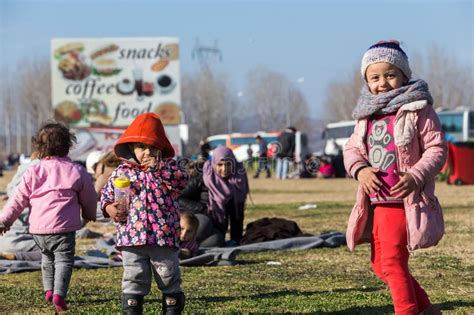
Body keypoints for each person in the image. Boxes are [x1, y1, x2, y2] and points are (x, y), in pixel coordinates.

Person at [344, 40, 446, 315]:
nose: (383, 83)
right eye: (375, 77)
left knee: (391, 260)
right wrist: (361, 170)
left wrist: (416, 175)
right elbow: (352, 149)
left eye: (390, 75)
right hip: (375, 201)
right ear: (366, 80)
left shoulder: (418, 108)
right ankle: (426, 309)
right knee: (381, 264)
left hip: (402, 201)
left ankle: (408, 310)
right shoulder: (365, 115)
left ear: (404, 75)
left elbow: (437, 149)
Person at [0, 122, 97, 313]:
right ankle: (59, 295)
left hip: (37, 230)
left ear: (39, 148)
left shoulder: (33, 171)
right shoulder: (76, 171)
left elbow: (17, 200)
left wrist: (5, 221)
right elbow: (90, 197)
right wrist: (89, 214)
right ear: (68, 146)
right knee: (63, 260)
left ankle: (48, 290)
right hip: (64, 229)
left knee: (46, 257)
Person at [100, 112, 188, 315]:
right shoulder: (122, 172)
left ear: (161, 148)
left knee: (168, 275)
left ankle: (172, 306)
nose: (147, 152)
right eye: (141, 147)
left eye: (153, 147)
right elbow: (106, 195)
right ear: (131, 148)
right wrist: (109, 208)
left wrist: (159, 168)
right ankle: (132, 309)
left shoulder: (169, 168)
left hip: (162, 237)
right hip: (131, 237)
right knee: (133, 277)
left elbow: (182, 181)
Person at [202, 146, 249, 247]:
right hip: (213, 219)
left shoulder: (239, 172)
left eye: (228, 164)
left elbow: (242, 197)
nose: (224, 169)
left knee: (237, 215)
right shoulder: (209, 175)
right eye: (220, 164)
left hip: (236, 205)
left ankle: (236, 239)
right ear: (214, 163)